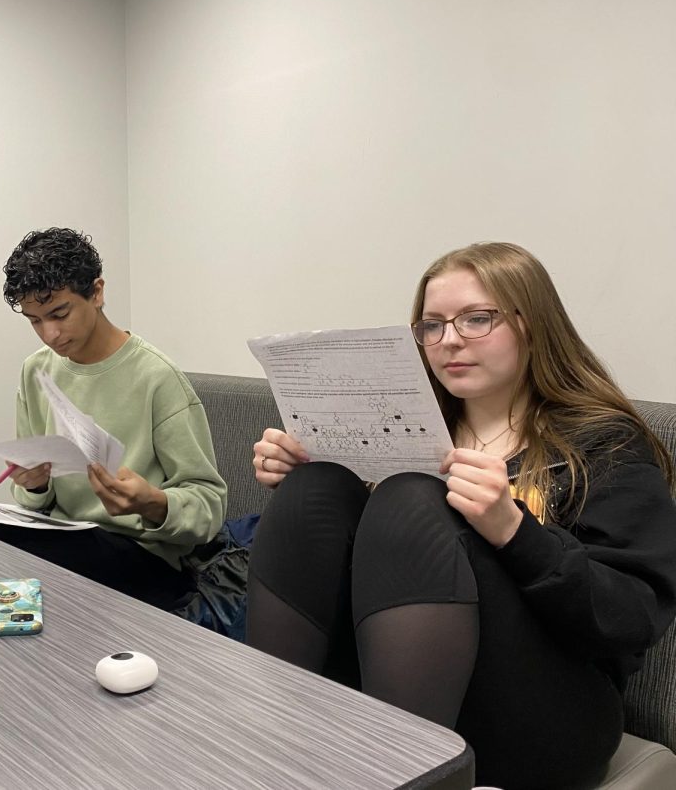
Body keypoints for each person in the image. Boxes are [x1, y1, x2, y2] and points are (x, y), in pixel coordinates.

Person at [246, 242, 676, 790]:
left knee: (411, 499)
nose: (448, 340)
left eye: (476, 319)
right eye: (431, 326)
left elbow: (635, 619)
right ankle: (274, 752)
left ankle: (404, 775)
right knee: (314, 487)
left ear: (532, 324)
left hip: (546, 711)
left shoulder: (603, 443)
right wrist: (301, 467)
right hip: (400, 681)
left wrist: (516, 532)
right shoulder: (411, 428)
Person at [0, 227, 227, 610]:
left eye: (59, 314)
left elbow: (209, 507)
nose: (49, 334)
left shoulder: (157, 378)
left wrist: (152, 502)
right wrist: (33, 486)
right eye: (34, 320)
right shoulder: (36, 370)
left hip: (142, 554)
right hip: (65, 532)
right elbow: (33, 500)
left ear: (96, 292)